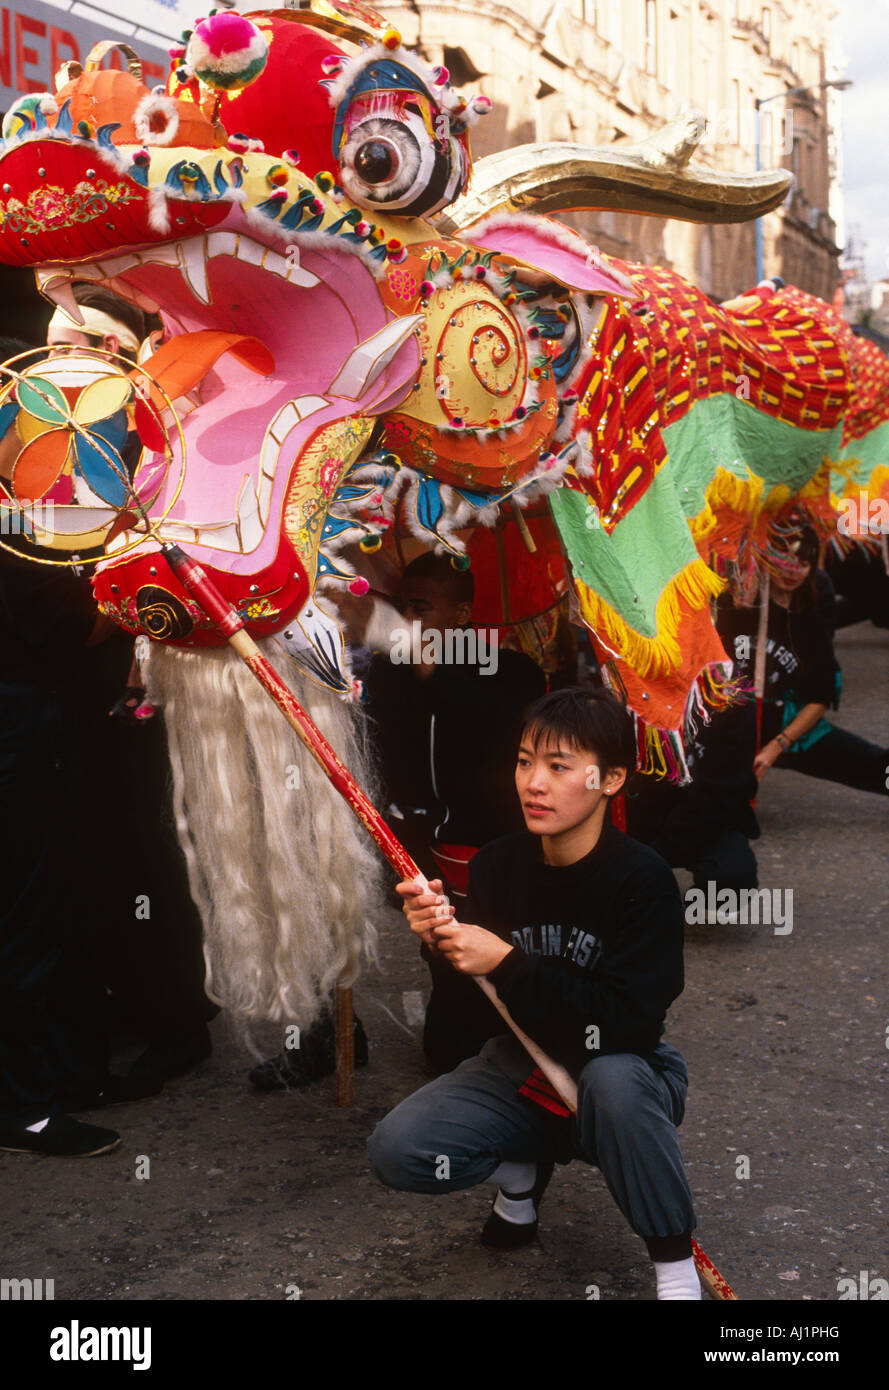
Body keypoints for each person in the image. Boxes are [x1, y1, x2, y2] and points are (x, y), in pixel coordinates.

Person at [368, 687, 702, 1300]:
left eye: (559, 766)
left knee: (614, 1082)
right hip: (520, 1064)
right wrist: (443, 945)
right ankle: (520, 1169)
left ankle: (674, 1268)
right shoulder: (498, 865)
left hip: (624, 1071)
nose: (534, 783)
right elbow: (477, 1013)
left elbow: (626, 1025)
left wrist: (510, 964)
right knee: (398, 1149)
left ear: (611, 779)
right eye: (525, 762)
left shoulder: (643, 881)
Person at [248, 550, 546, 1090]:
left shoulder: (509, 671)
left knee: (455, 1046)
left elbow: (464, 696)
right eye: (402, 605)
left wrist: (387, 627)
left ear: (461, 615)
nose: (409, 617)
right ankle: (329, 1035)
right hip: (401, 838)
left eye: (422, 606)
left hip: (480, 854)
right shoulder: (387, 668)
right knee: (321, 883)